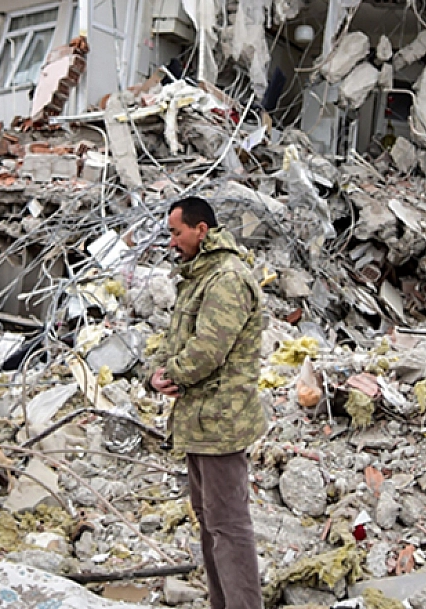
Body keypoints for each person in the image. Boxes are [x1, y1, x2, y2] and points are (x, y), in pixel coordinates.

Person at [149, 196, 266, 609]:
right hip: (199, 421)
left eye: (176, 233)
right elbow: (178, 338)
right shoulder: (200, 275)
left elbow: (208, 349)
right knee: (210, 520)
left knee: (229, 526)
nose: (171, 242)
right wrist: (158, 372)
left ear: (201, 230)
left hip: (222, 422)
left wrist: (172, 375)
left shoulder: (227, 279)